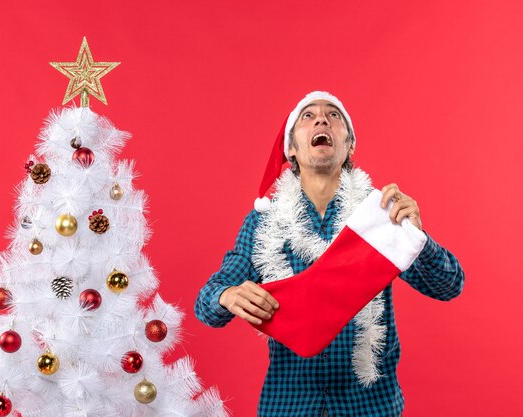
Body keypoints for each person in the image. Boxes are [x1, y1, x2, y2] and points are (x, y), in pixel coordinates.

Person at [194, 91, 464, 417]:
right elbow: (206, 306)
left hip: (370, 407)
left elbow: (449, 286)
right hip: (288, 406)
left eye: (333, 116)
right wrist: (228, 294)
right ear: (290, 148)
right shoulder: (264, 222)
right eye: (308, 116)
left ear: (350, 145)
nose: (322, 119)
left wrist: (417, 238)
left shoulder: (378, 216)